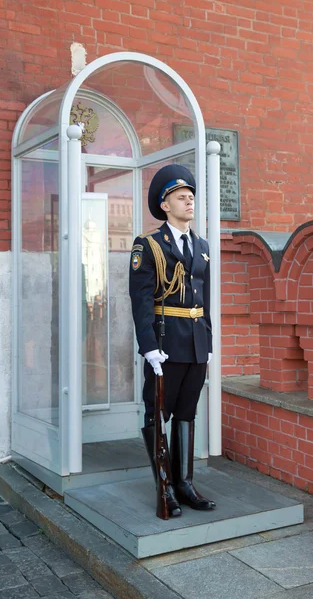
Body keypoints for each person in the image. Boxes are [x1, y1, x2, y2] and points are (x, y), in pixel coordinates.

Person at [129, 164, 215, 517]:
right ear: (165, 205)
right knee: (157, 412)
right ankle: (164, 486)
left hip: (196, 342)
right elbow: (141, 299)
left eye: (191, 196)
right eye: (181, 197)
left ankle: (185, 483)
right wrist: (148, 347)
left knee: (186, 412)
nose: (189, 201)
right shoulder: (148, 245)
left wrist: (208, 340)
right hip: (165, 343)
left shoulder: (202, 245)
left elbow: (203, 297)